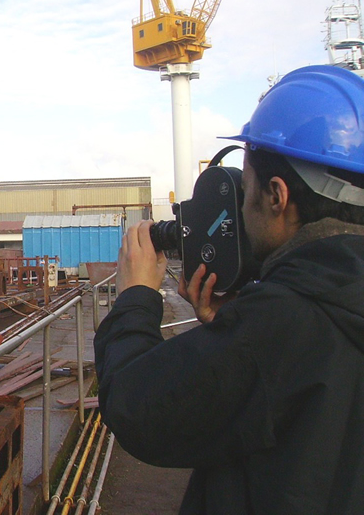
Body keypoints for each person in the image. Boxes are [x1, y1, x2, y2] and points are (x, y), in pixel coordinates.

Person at [93, 65, 364, 515]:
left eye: (246, 190)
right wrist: (235, 328)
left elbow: (138, 407)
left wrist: (136, 298)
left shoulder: (284, 321)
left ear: (276, 195)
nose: (241, 205)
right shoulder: (316, 305)